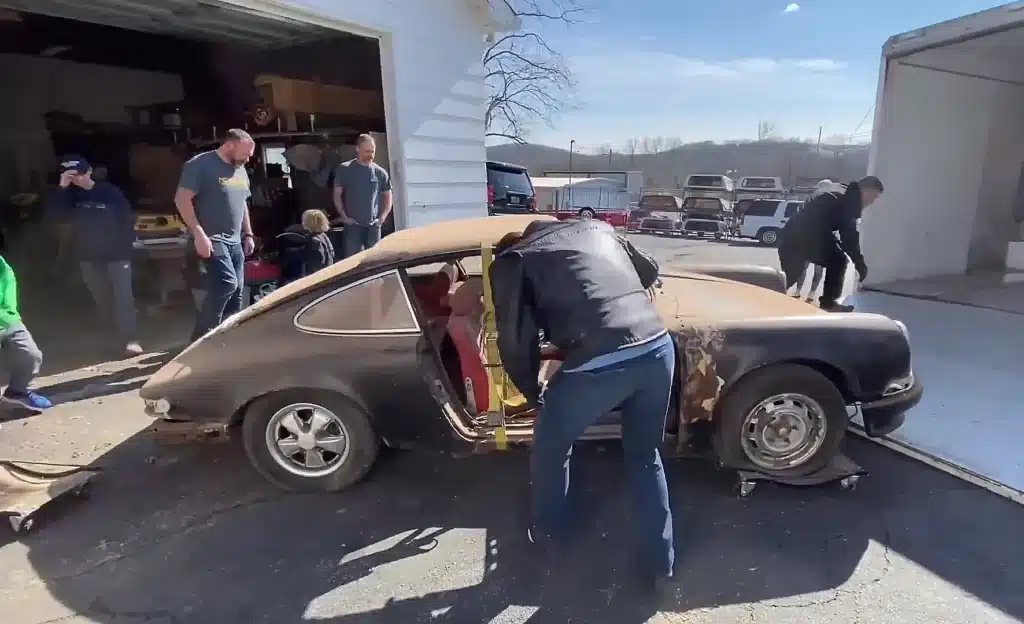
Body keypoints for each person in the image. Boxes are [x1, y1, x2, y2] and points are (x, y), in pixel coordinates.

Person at [489, 218, 676, 591]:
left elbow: (513, 338)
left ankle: (550, 537)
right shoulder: (596, 228)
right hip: (657, 345)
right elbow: (649, 270)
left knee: (551, 445)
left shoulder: (514, 261)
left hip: (601, 359)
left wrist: (532, 389)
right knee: (644, 454)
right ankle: (661, 563)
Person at [49, 155, 142, 356]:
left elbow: (127, 219)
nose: (77, 179)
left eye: (79, 175)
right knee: (102, 298)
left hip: (117, 254)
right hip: (89, 257)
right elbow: (55, 216)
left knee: (123, 297)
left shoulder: (109, 193)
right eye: (71, 177)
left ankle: (130, 339)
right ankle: (113, 336)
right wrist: (62, 188)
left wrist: (127, 247)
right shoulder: (70, 197)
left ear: (89, 172)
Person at [174, 129, 256, 342]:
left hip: (235, 239)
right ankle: (202, 338)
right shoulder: (200, 164)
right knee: (226, 283)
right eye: (245, 153)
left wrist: (248, 233)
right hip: (212, 237)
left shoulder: (240, 169)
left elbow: (243, 202)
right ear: (229, 145)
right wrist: (198, 233)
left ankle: (229, 338)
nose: (249, 159)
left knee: (237, 291)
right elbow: (182, 199)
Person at [777, 176, 884, 312]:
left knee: (792, 276)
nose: (872, 202)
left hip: (797, 236)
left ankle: (764, 297)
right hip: (798, 238)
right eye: (873, 196)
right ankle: (828, 303)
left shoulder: (843, 193)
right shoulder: (848, 201)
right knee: (837, 260)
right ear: (865, 190)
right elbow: (849, 238)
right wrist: (860, 264)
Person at [0, 255, 50, 412]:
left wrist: (9, 311)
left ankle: (18, 391)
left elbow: (7, 278)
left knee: (31, 355)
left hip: (6, 317)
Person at [332, 134, 392, 258]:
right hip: (353, 226)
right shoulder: (345, 169)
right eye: (367, 151)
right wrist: (344, 216)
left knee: (374, 261)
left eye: (372, 151)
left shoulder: (380, 173)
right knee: (352, 262)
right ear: (358, 149)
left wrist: (381, 218)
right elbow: (337, 195)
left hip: (373, 227)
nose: (370, 154)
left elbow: (388, 197)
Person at [299, 209, 335, 277]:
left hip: (316, 276)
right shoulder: (324, 236)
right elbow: (331, 253)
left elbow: (316, 260)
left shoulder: (313, 240)